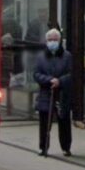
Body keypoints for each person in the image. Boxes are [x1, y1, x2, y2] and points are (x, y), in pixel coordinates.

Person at [34, 28, 72, 157]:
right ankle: (43, 147)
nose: (52, 42)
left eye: (55, 40)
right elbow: (36, 74)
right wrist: (50, 80)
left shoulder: (67, 56)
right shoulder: (41, 57)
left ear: (60, 41)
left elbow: (72, 74)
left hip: (61, 94)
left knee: (64, 121)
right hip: (46, 93)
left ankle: (66, 147)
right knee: (44, 122)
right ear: (46, 41)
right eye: (50, 40)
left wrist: (60, 81)